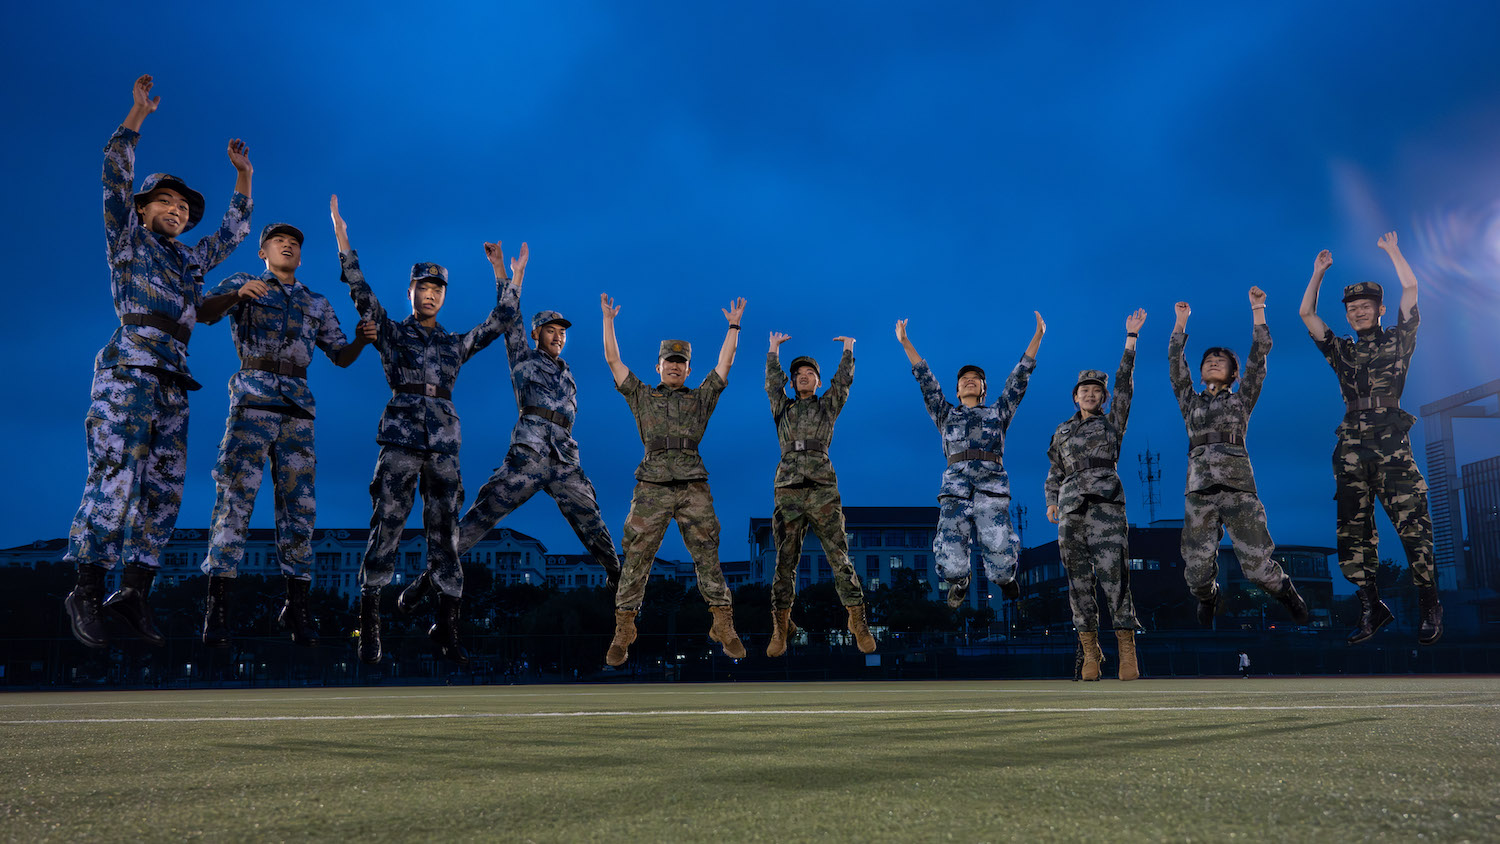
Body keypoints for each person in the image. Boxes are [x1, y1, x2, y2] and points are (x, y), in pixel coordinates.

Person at [64, 74, 254, 648]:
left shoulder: (189, 262)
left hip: (174, 379)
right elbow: (114, 172)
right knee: (116, 477)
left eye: (183, 205)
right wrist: (137, 115)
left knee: (165, 490)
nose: (176, 209)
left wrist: (243, 178)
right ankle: (88, 589)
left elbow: (233, 233)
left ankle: (134, 591)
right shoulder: (127, 238)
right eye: (166, 201)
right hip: (129, 371)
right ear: (145, 208)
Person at [331, 195, 508, 665]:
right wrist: (342, 238)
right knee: (386, 527)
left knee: (445, 535)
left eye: (438, 289)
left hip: (444, 448)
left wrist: (502, 273)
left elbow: (500, 322)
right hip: (401, 442)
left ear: (444, 295)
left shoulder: (453, 343)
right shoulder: (390, 331)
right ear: (409, 291)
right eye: (422, 287)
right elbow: (358, 289)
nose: (430, 294)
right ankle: (370, 629)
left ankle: (447, 631)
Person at [197, 222, 376, 647]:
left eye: (295, 242)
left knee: (300, 510)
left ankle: (297, 607)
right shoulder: (246, 283)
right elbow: (203, 312)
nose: (289, 245)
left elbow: (341, 357)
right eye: (280, 241)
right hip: (253, 401)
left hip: (298, 410)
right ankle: (217, 610)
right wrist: (235, 295)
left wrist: (362, 341)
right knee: (235, 500)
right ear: (264, 251)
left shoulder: (316, 302)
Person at [440, 260, 623, 609]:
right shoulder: (523, 358)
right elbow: (511, 317)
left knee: (591, 517)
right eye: (551, 330)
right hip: (530, 455)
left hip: (564, 459)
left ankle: (616, 574)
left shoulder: (568, 374)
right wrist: (503, 275)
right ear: (537, 334)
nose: (558, 336)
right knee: (484, 511)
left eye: (563, 332)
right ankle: (432, 574)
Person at [1300, 235, 1442, 645]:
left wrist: (1392, 252)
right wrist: (1318, 273)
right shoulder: (1341, 350)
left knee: (1414, 523)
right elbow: (1306, 313)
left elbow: (1412, 290)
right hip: (1350, 448)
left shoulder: (1399, 339)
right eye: (1352, 309)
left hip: (1392, 445)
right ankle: (1371, 606)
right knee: (1352, 530)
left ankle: (1429, 602)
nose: (1359, 312)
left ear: (1380, 310)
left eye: (1366, 307)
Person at [600, 293, 748, 666]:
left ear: (687, 369)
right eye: (669, 361)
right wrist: (608, 320)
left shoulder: (700, 398)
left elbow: (724, 363)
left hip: (692, 484)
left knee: (707, 554)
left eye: (681, 363)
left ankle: (723, 623)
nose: (675, 367)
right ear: (658, 366)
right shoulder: (642, 396)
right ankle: (624, 628)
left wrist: (733, 326)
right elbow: (613, 361)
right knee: (636, 556)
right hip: (651, 485)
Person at [1169, 290, 1308, 629]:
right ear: (1201, 373)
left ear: (1234, 374)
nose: (1213, 361)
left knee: (1257, 568)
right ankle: (1208, 597)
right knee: (1197, 571)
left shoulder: (1242, 399)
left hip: (1237, 488)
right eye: (1208, 360)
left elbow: (1259, 358)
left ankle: (1285, 590)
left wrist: (1258, 309)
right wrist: (1180, 323)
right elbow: (1176, 365)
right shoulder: (1190, 401)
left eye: (1222, 359)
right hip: (1200, 491)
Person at [895, 313, 1045, 608]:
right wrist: (904, 342)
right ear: (957, 390)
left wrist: (1038, 335)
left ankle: (1005, 579)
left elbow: (1019, 380)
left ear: (983, 389)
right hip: (956, 487)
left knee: (1000, 554)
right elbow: (926, 380)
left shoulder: (998, 413)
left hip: (990, 485)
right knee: (950, 557)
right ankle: (960, 582)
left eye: (975, 379)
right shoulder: (946, 414)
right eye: (964, 380)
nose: (969, 381)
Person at [1045, 309, 1147, 681]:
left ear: (1103, 398)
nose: (1089, 394)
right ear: (1075, 397)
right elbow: (1054, 470)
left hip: (1105, 506)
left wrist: (1130, 340)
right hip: (1071, 510)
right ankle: (1091, 652)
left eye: (1095, 391)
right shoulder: (1061, 431)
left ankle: (1126, 650)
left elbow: (1125, 385)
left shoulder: (1113, 421)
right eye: (1083, 390)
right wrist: (1052, 501)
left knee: (1115, 576)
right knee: (1077, 581)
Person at [764, 332, 875, 657]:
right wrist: (773, 351)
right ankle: (781, 625)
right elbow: (772, 384)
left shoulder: (827, 406)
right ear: (793, 381)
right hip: (788, 488)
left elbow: (842, 384)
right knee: (785, 560)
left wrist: (849, 348)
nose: (803, 377)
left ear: (817, 380)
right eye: (798, 375)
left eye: (809, 374)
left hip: (822, 488)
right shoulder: (781, 408)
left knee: (838, 556)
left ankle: (857, 619)